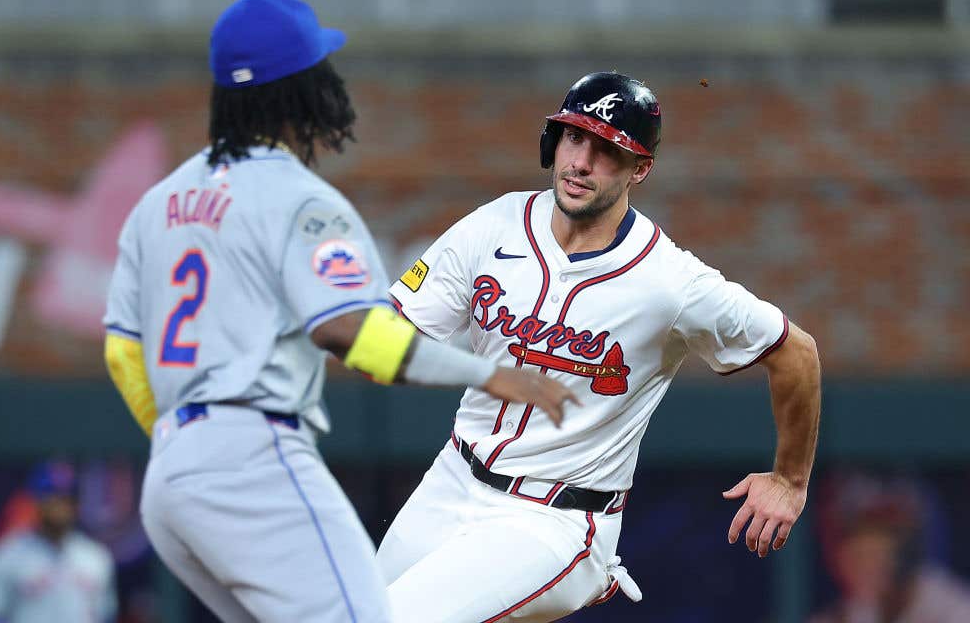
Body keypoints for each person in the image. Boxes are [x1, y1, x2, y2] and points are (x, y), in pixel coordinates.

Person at [101, 0, 577, 623]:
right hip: (253, 455)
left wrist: (185, 444)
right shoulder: (302, 201)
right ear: (301, 89)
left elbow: (122, 352)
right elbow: (350, 333)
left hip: (169, 479)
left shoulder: (158, 204)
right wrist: (485, 372)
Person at [377, 71, 823, 622]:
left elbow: (794, 351)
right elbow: (388, 341)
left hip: (554, 519)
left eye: (608, 149)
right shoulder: (494, 225)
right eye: (574, 137)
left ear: (641, 168)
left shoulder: (671, 282)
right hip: (453, 478)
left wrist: (789, 479)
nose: (581, 162)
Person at [0, 461, 117, 623]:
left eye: (66, 498)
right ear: (36, 501)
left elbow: (105, 614)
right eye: (52, 496)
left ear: (76, 503)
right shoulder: (7, 554)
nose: (59, 505)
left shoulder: (95, 557)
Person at [809, 472, 970, 623]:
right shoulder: (854, 611)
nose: (866, 566)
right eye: (858, 556)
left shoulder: (951, 607)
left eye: (874, 554)